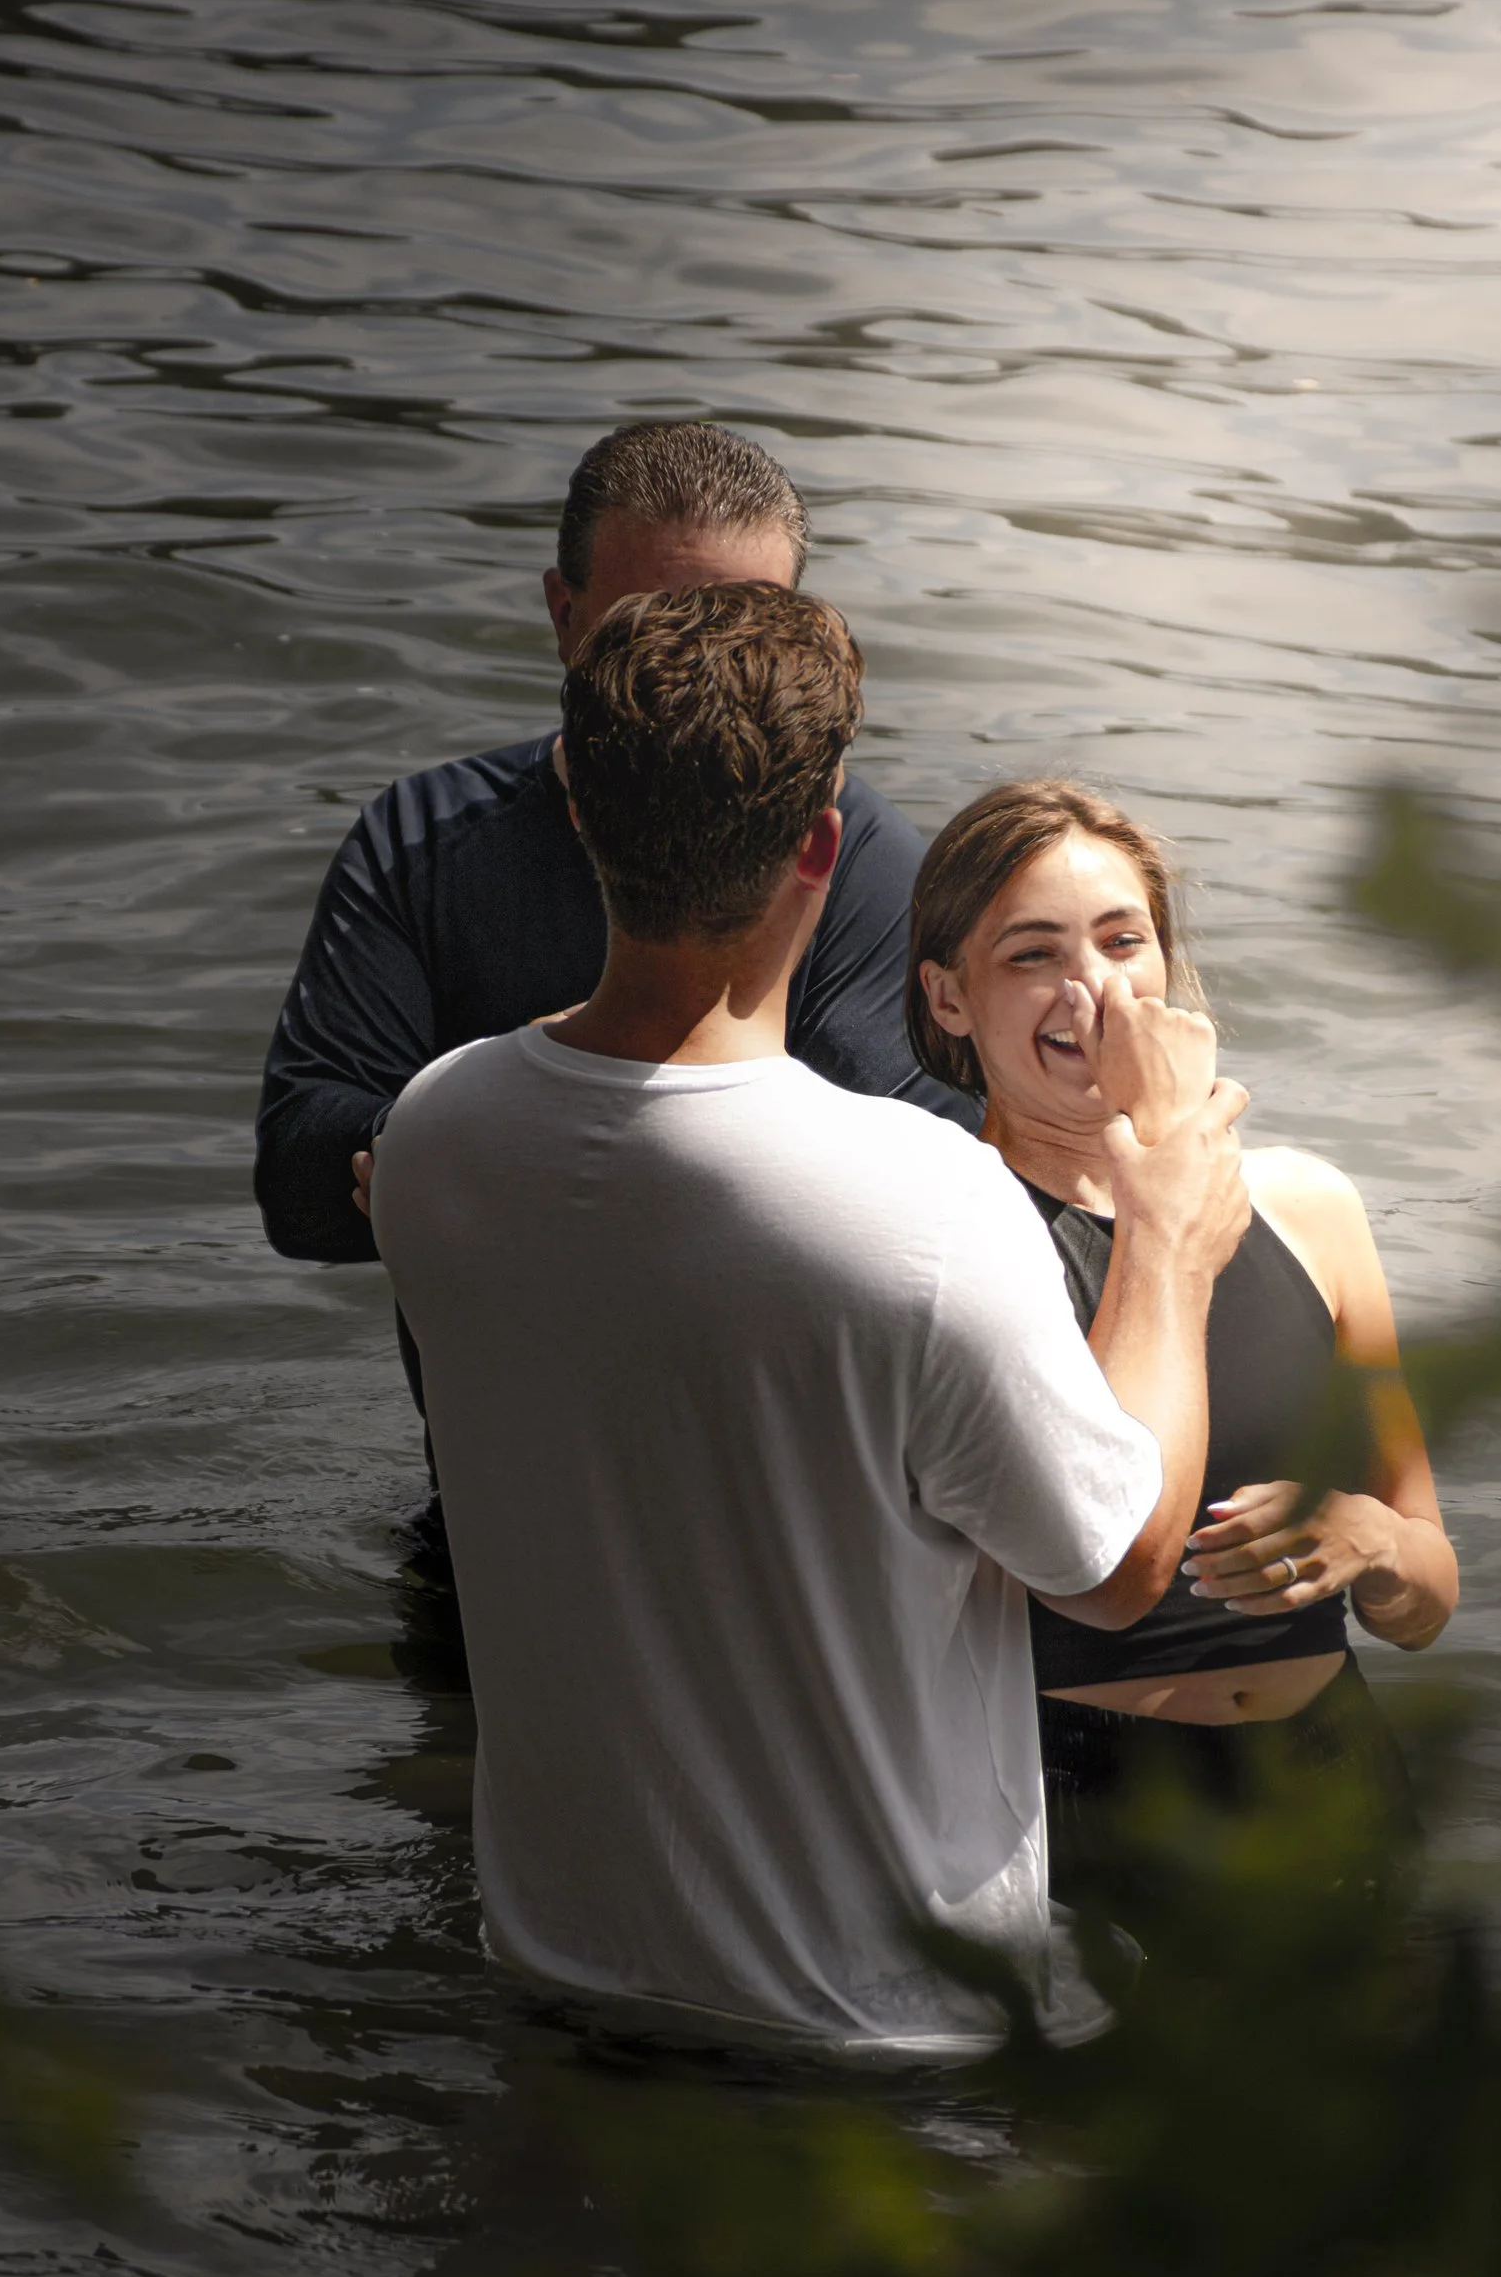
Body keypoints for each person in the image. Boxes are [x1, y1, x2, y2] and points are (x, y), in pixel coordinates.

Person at [368, 587, 1250, 2060]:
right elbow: (1116, 1564)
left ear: (579, 810)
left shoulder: (436, 1137)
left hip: (555, 1993)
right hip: (878, 2045)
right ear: (821, 849)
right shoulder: (920, 1204)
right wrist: (1165, 1238)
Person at [254, 419, 969, 1282]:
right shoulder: (424, 843)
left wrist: (487, 1142)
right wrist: (492, 1126)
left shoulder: (871, 863)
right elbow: (300, 1183)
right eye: (657, 627)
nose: (700, 671)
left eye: (746, 628)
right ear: (565, 613)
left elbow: (916, 1188)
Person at [906, 779, 1459, 1857]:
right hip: (1072, 1792)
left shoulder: (1310, 1210)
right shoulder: (945, 1232)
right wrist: (1161, 1138)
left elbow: (1429, 1601)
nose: (1093, 992)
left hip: (1331, 1776)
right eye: (1032, 956)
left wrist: (1375, 1542)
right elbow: (1092, 1534)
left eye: (1123, 942)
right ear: (947, 998)